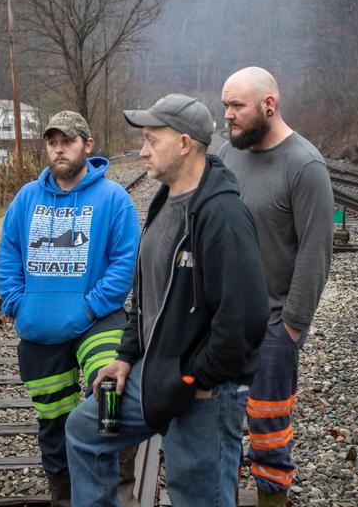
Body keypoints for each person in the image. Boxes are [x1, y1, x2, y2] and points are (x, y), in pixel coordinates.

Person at [65, 93, 269, 507]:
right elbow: (145, 295)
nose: (142, 151)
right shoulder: (165, 198)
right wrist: (125, 356)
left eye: (151, 140)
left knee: (195, 495)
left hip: (202, 390)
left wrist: (195, 378)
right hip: (156, 372)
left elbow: (246, 319)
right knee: (84, 432)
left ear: (184, 143)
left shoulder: (222, 216)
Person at [0, 111, 141, 507]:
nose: (59, 148)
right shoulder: (27, 198)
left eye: (69, 141)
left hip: (96, 320)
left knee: (111, 397)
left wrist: (91, 307)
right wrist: (17, 304)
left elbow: (124, 263)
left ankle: (117, 485)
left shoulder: (113, 199)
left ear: (87, 145)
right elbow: (8, 254)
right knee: (53, 420)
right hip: (40, 327)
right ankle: (64, 493)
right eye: (53, 141)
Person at [218, 67, 335, 506]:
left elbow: (315, 253)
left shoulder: (304, 165)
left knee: (268, 431)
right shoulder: (230, 155)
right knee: (222, 423)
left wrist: (291, 328)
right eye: (225, 105)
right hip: (224, 322)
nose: (227, 115)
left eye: (236, 106)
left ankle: (270, 500)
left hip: (272, 326)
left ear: (269, 106)